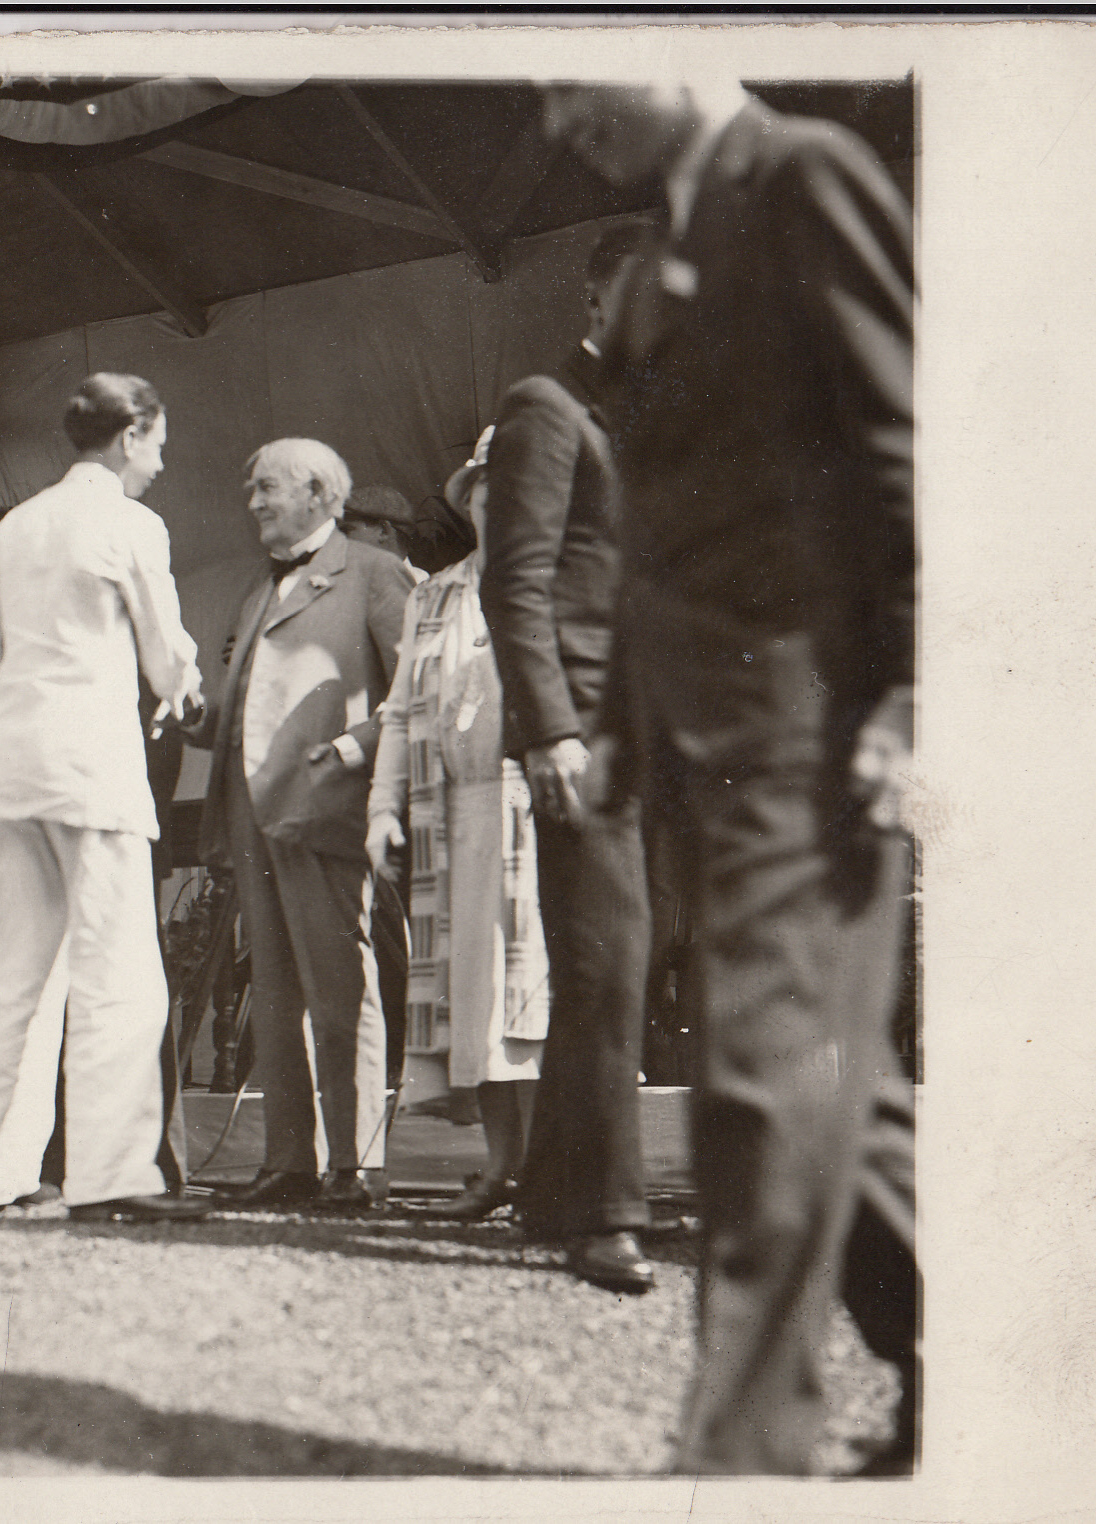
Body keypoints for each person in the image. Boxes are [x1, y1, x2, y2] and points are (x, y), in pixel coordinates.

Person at [543, 76, 918, 1474]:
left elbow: (901, 440)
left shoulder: (805, 176)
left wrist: (917, 687)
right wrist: (625, 741)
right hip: (692, 741)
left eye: (571, 77)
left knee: (764, 1073)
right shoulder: (653, 266)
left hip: (810, 722)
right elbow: (654, 539)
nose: (552, 119)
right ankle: (963, 1349)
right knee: (833, 1076)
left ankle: (743, 1459)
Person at [0, 372, 209, 1224]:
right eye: (159, 442)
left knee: (21, 978)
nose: (163, 462)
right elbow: (167, 656)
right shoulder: (132, 522)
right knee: (120, 975)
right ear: (131, 434)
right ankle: (111, 1174)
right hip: (90, 771)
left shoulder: (16, 527)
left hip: (5, 772)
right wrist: (187, 685)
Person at [477, 223, 660, 1295]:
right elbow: (519, 583)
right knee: (605, 964)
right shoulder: (546, 408)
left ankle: (552, 1190)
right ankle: (605, 1219)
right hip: (582, 730)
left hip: (659, 731)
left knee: (616, 960)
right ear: (598, 300)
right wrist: (548, 728)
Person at [192, 439, 414, 1214]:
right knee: (279, 994)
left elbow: (415, 697)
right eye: (251, 488)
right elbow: (244, 707)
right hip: (255, 817)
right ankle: (290, 1162)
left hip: (322, 809)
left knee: (339, 989)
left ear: (322, 493)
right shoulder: (259, 590)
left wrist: (348, 752)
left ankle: (356, 1166)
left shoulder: (377, 574)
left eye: (268, 489)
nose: (252, 502)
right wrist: (190, 714)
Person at [366, 447, 551, 1226]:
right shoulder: (435, 595)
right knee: (476, 1003)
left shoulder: (554, 585)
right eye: (480, 493)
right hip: (452, 813)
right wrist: (383, 805)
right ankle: (504, 1167)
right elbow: (403, 711)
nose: (491, 506)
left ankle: (550, 1172)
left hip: (535, 813)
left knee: (531, 999)